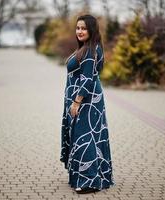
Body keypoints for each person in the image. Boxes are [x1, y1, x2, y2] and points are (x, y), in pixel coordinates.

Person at [60, 14, 114, 194]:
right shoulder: (87, 48)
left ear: (91, 30)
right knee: (83, 137)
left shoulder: (91, 51)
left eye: (83, 28)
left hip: (87, 101)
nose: (80, 31)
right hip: (85, 100)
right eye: (78, 28)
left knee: (86, 138)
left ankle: (89, 182)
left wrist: (76, 102)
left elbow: (88, 80)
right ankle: (87, 176)